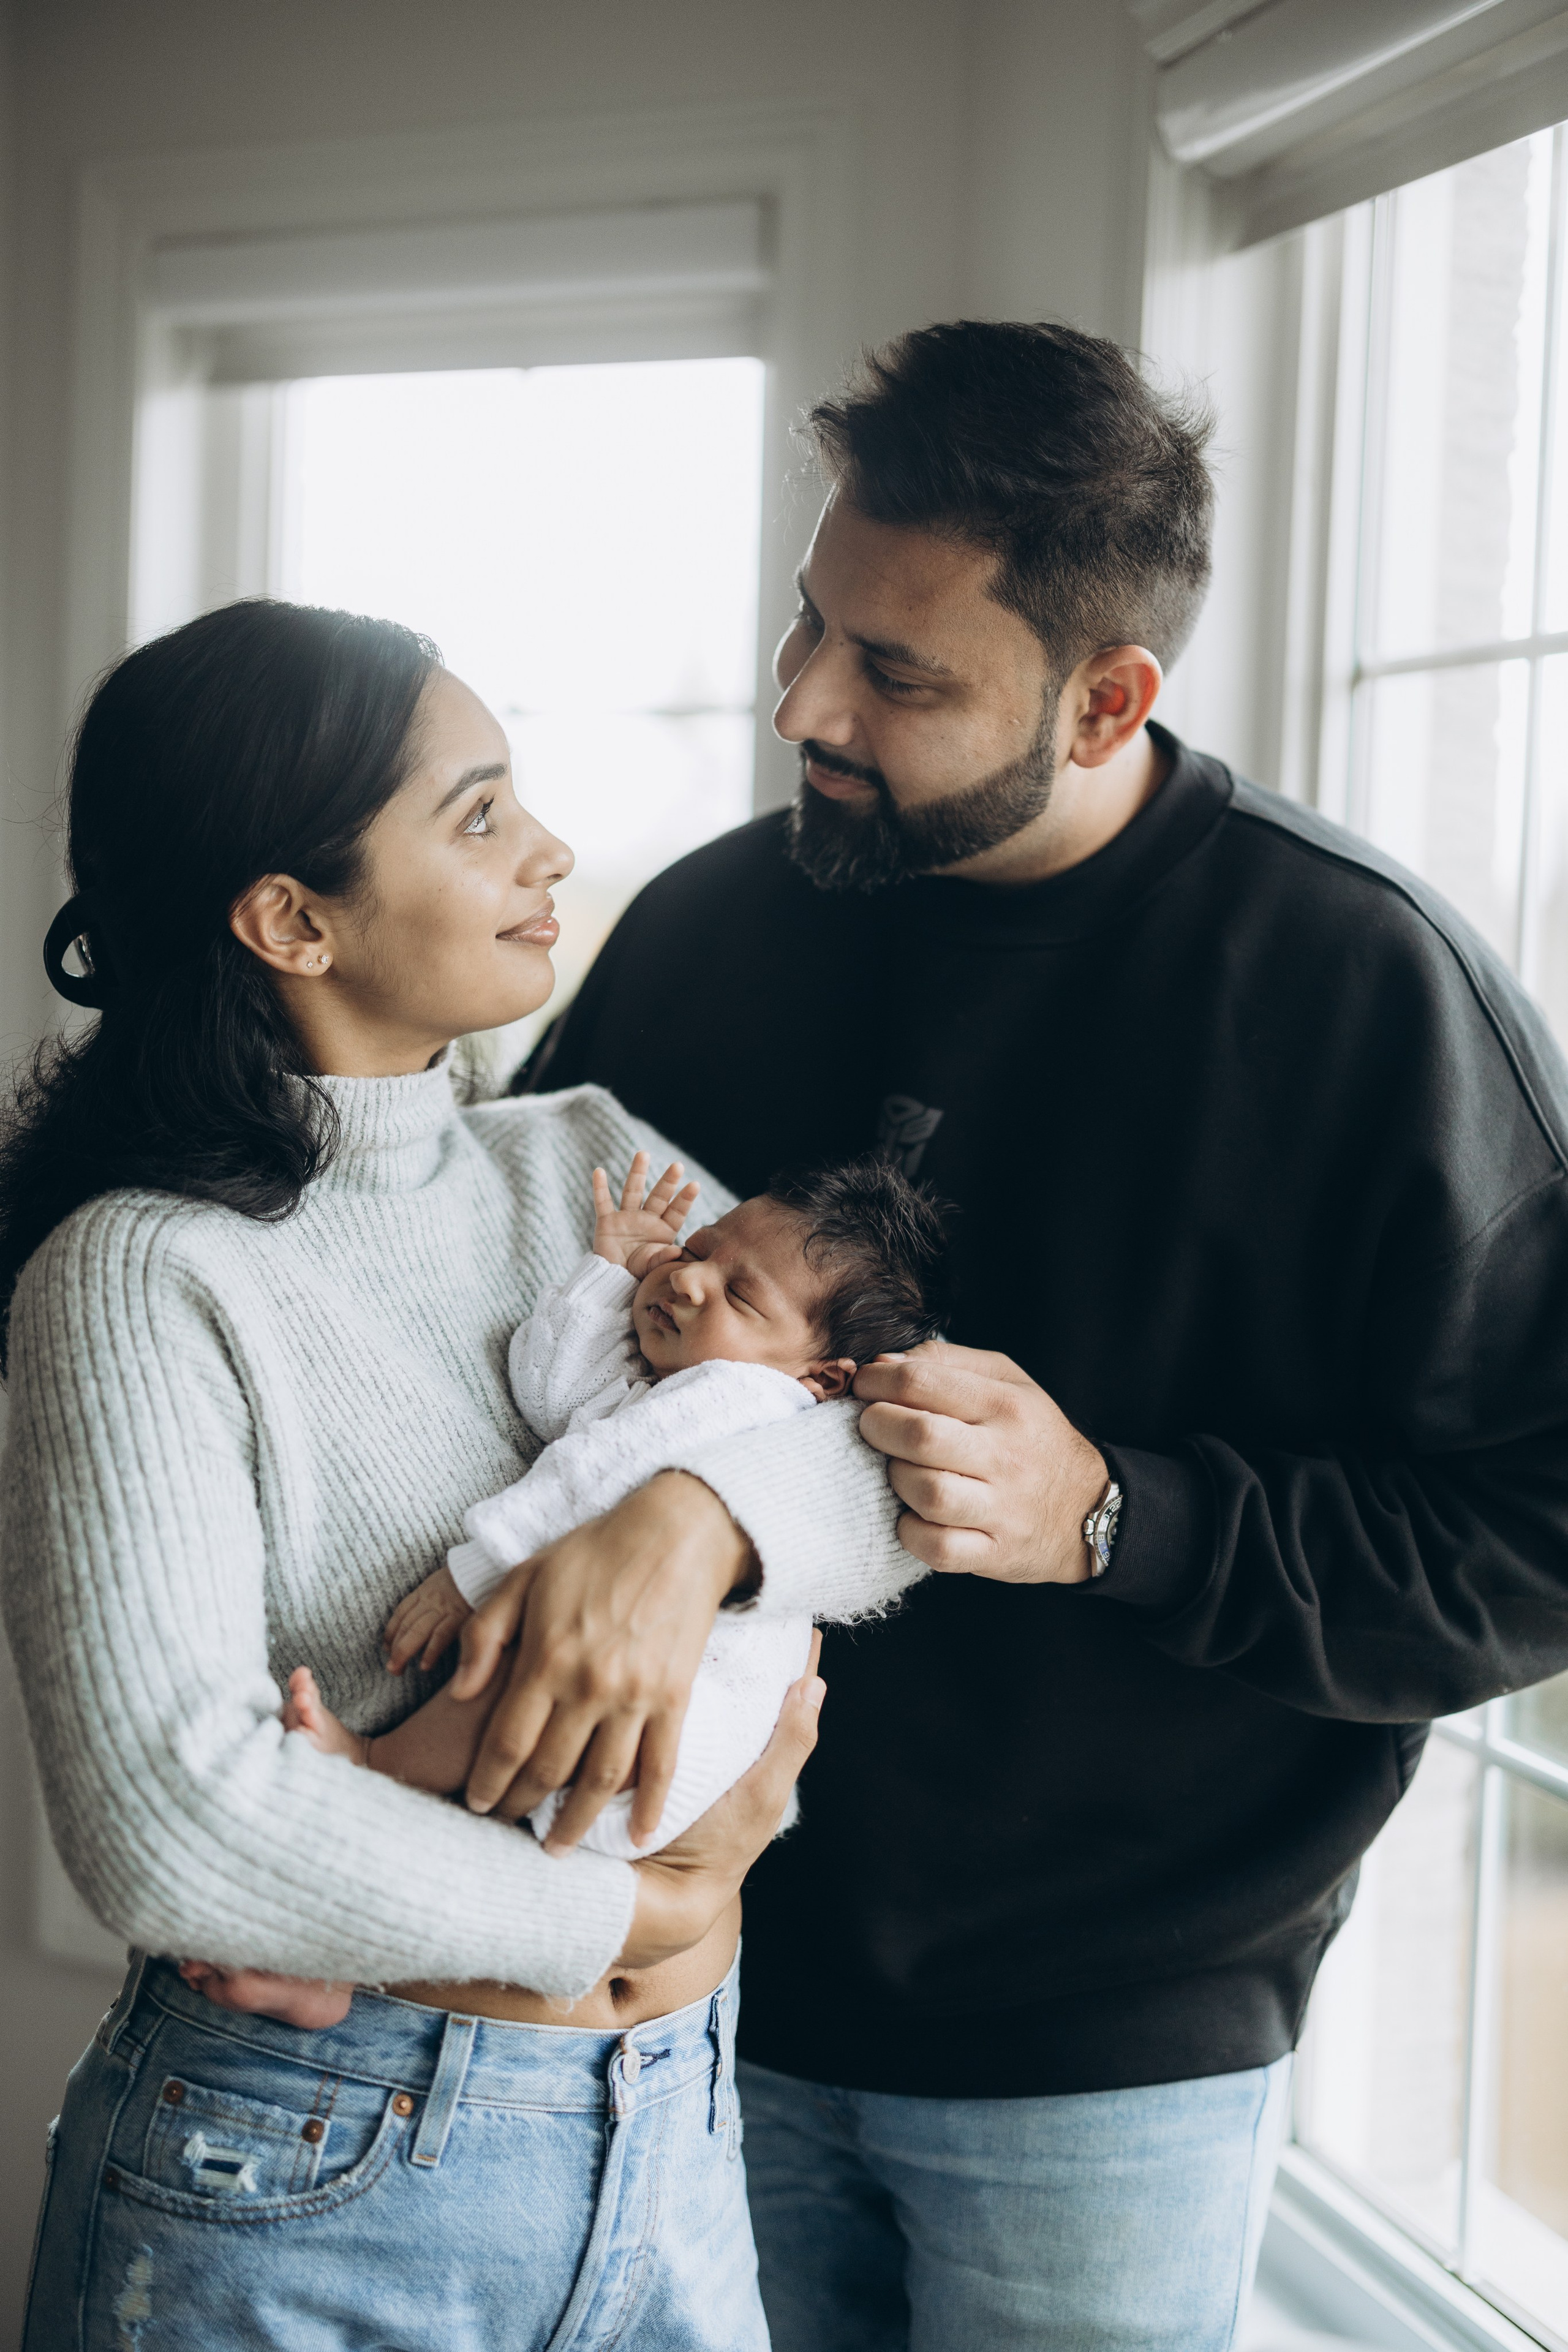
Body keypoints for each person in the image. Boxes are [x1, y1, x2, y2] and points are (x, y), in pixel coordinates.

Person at [517, 320, 1568, 2351]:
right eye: (809, 627)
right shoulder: (711, 929)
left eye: (897, 673)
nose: (804, 705)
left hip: (1114, 2052)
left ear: (1110, 697)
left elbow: (1540, 1533)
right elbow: (479, 1351)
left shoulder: (1372, 994)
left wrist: (1123, 1516)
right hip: (664, 1982)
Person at [0, 599, 924, 2351]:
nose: (551, 848)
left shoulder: (587, 1160)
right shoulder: (141, 1276)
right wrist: (616, 1913)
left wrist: (695, 1522)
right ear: (292, 919)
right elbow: (168, 1819)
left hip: (672, 2134)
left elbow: (873, 1461)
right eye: (479, 812)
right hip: (306, 2178)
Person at [179, 1144, 946, 2031]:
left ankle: (375, 1766)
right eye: (697, 1250)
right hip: (663, 1795)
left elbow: (592, 1470)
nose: (690, 1282)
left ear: (820, 1380)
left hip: (669, 1729)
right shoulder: (673, 1384)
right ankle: (326, 1967)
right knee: (461, 1848)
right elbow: (550, 1395)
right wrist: (610, 1274)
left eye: (739, 1296)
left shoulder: (743, 1405)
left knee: (507, 1678)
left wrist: (475, 1571)